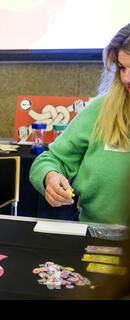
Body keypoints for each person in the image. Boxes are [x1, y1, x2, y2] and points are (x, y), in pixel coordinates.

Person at [30, 23, 130, 225]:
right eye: (122, 68)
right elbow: (50, 159)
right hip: (98, 237)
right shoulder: (101, 110)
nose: (127, 78)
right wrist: (50, 176)